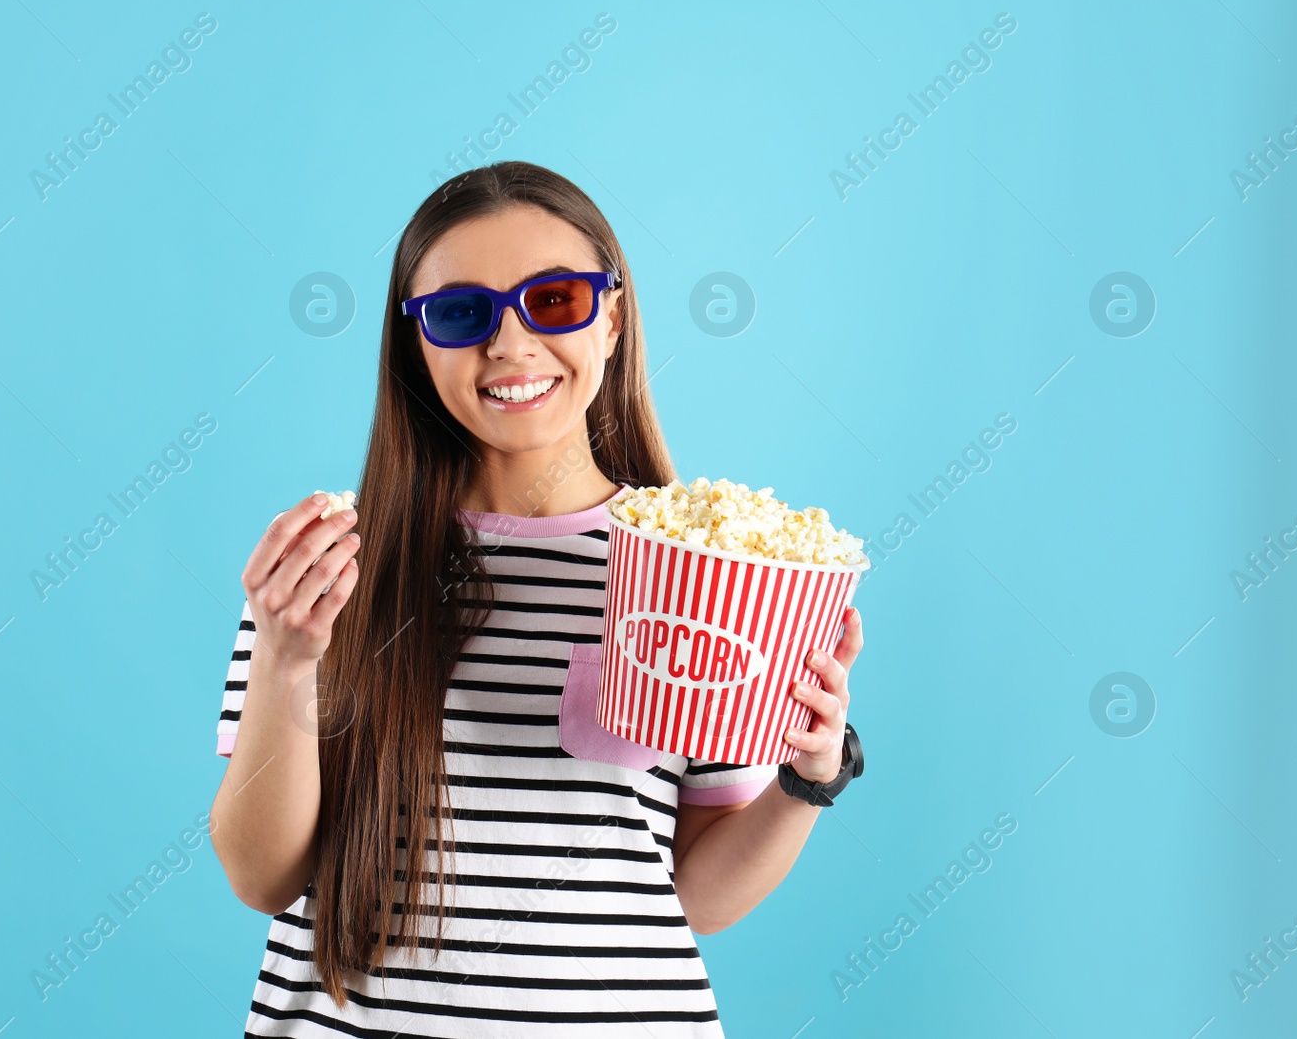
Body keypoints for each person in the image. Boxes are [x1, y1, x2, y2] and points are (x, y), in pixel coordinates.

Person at [209, 160, 865, 1037]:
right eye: (460, 312)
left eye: (553, 300)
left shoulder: (709, 569)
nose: (510, 344)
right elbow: (260, 876)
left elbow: (699, 896)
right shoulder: (329, 566)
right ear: (416, 341)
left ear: (614, 318)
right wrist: (288, 653)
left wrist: (807, 777)